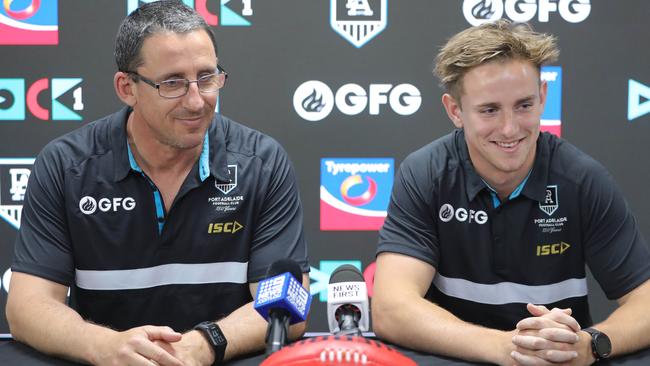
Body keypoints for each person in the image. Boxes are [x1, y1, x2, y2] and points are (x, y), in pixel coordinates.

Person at [6, 1, 309, 365]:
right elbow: (27, 307)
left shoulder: (261, 163)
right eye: (173, 83)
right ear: (127, 87)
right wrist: (106, 347)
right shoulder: (66, 166)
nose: (196, 101)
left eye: (207, 77)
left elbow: (287, 306)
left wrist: (203, 344)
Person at [372, 19, 650, 366]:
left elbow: (646, 301)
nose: (510, 128)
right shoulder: (426, 174)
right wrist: (507, 348)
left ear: (544, 96)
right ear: (455, 110)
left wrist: (589, 344)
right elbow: (390, 307)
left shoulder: (581, 179)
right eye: (489, 110)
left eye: (524, 105)